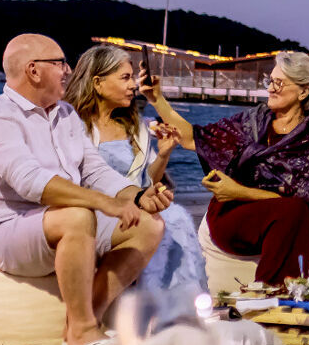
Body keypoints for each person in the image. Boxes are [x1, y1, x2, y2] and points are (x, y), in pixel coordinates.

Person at [0, 34, 170, 345]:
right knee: (78, 215)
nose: (68, 70)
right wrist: (103, 202)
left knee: (150, 224)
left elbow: (94, 170)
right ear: (33, 70)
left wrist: (137, 196)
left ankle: (87, 318)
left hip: (57, 221)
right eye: (60, 63)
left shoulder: (65, 114)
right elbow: (31, 182)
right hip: (4, 227)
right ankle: (81, 331)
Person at [144, 51, 309, 286]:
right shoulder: (253, 121)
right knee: (292, 210)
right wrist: (157, 99)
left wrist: (238, 190)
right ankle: (270, 292)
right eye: (269, 81)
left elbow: (305, 199)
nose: (270, 89)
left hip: (272, 210)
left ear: (303, 92)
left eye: (279, 82)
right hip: (233, 212)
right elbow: (193, 137)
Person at [64, 44, 207, 301]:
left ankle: (176, 305)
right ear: (97, 83)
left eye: (132, 77)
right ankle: (158, 308)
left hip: (136, 203)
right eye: (125, 78)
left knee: (177, 216)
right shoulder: (73, 126)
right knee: (170, 219)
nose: (134, 86)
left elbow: (147, 182)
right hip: (97, 210)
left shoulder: (136, 128)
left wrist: (163, 154)